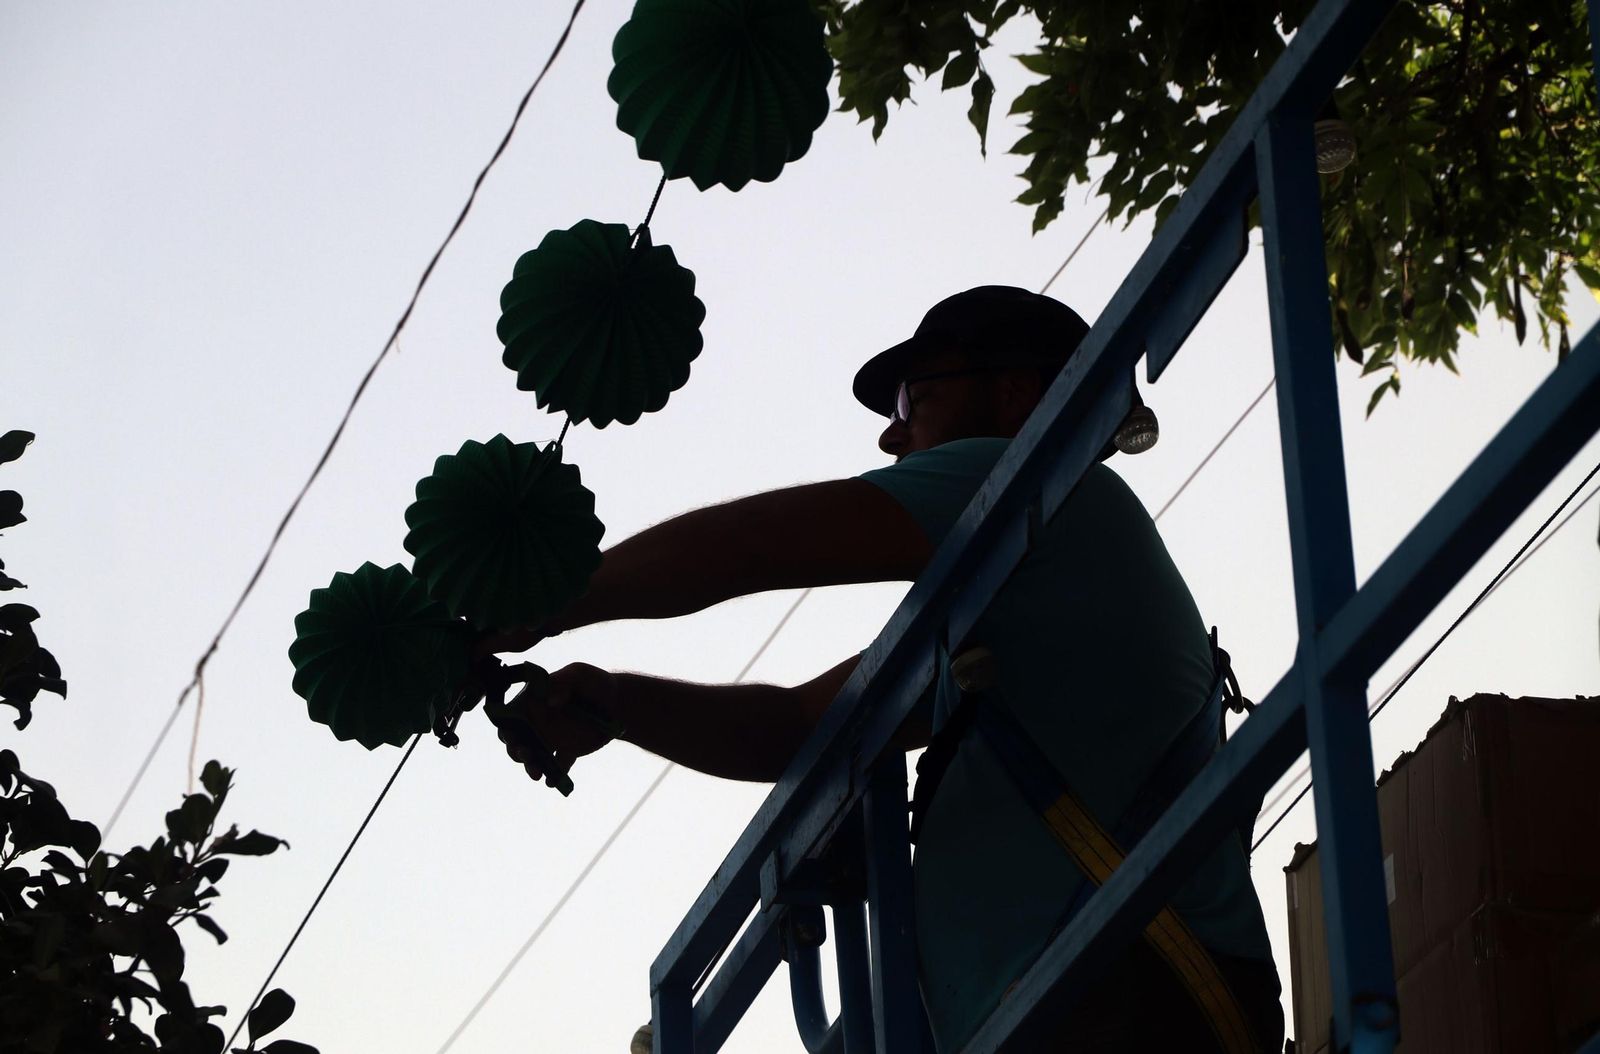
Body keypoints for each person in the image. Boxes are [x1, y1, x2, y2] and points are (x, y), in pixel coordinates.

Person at [486, 286, 1284, 1051]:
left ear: (1012, 396)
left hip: (1121, 997)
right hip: (1083, 1003)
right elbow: (798, 729)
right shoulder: (1010, 623)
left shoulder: (1062, 495)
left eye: (913, 401)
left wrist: (543, 599)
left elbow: (748, 548)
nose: (890, 436)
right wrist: (617, 702)